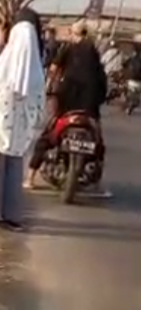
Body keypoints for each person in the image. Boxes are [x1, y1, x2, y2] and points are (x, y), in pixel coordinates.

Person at [25, 20, 109, 193]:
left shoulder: (67, 49)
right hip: (89, 102)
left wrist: (49, 87)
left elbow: (54, 68)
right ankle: (98, 181)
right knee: (98, 140)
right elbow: (102, 80)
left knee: (47, 136)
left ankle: (30, 177)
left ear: (73, 33)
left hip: (67, 97)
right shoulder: (94, 53)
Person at [0, 15, 47, 231]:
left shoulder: (6, 61)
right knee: (14, 170)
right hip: (21, 129)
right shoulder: (36, 69)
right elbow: (39, 102)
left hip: (0, 124)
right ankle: (12, 215)